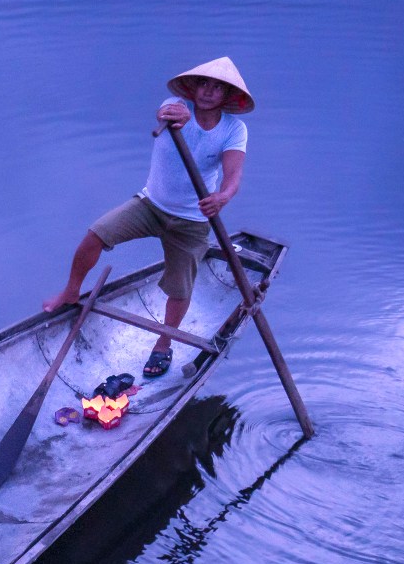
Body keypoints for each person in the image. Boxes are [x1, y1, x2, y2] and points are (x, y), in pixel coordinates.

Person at [45, 56, 254, 380]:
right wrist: (179, 116)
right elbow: (169, 113)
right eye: (204, 84)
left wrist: (223, 197)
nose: (208, 92)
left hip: (192, 220)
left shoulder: (233, 129)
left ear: (227, 97)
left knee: (180, 287)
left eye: (217, 88)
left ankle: (163, 343)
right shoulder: (175, 105)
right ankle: (72, 291)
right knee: (96, 235)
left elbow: (232, 176)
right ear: (194, 87)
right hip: (150, 205)